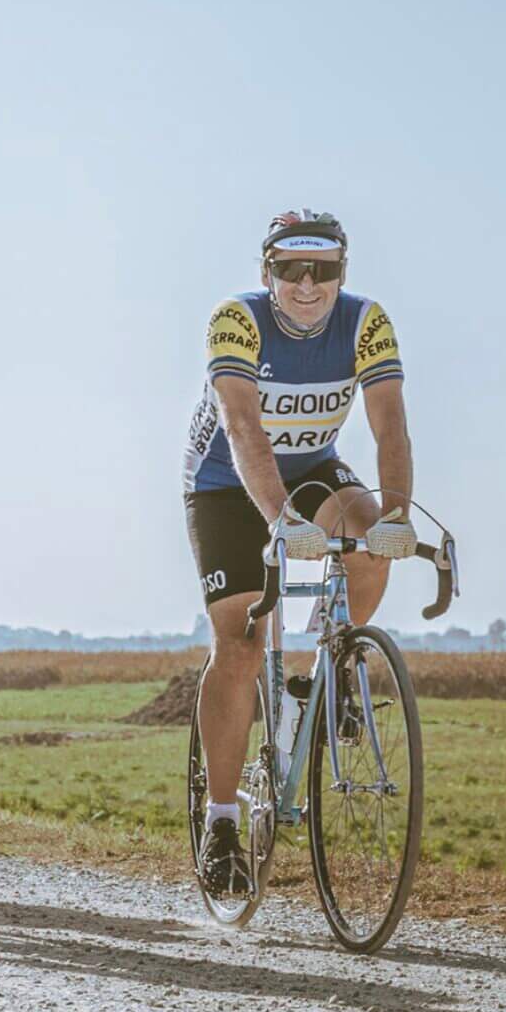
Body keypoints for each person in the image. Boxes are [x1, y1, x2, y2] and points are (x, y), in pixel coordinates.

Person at [184, 209, 415, 897]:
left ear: (343, 273)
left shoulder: (366, 321)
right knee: (240, 640)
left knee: (369, 544)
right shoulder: (237, 319)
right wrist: (281, 520)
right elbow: (241, 426)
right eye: (290, 269)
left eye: (323, 270)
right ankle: (222, 820)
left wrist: (398, 515)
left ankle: (326, 667)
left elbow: (390, 425)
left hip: (314, 466)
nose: (307, 284)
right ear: (268, 273)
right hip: (225, 481)